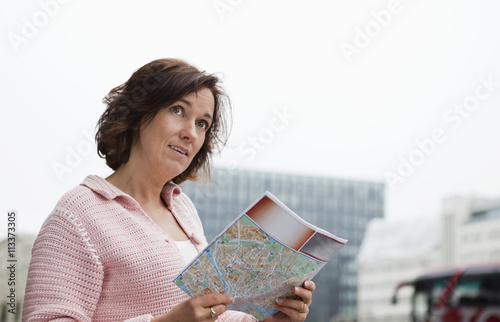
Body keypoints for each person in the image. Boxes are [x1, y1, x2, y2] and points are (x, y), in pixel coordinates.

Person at [22, 58, 316, 322]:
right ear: (138, 113)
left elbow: (206, 314)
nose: (191, 132)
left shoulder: (183, 208)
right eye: (178, 110)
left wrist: (270, 319)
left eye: (203, 123)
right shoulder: (78, 213)